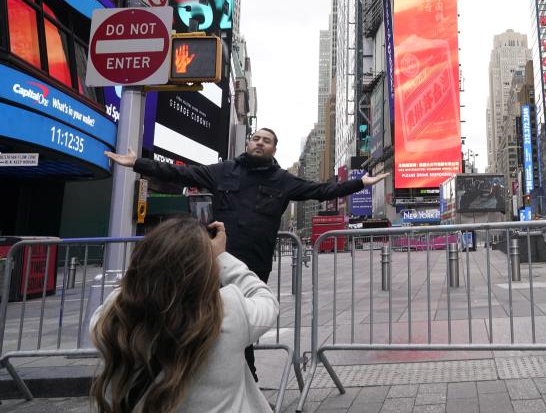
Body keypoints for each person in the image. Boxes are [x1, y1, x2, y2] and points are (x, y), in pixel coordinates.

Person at [105, 127, 388, 380]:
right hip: (213, 260)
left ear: (274, 149)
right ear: (248, 143)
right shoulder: (221, 171)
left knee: (241, 320)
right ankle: (199, 371)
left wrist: (359, 184)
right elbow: (181, 172)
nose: (260, 143)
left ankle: (245, 376)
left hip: (253, 266)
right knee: (203, 315)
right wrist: (137, 163)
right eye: (256, 139)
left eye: (267, 141)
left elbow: (323, 190)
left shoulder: (283, 180)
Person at [89, 218, 277, 412]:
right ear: (206, 271)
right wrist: (221, 255)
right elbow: (266, 299)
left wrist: (145, 276)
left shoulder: (114, 319)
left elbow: (125, 294)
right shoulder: (227, 313)